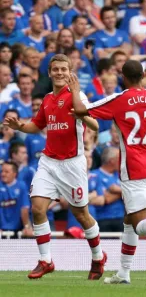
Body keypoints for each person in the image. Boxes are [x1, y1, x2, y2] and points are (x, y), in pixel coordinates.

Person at [71, 60, 146, 284]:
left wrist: (76, 91)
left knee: (139, 224)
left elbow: (80, 110)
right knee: (129, 220)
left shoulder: (120, 99)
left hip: (133, 167)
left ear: (122, 76)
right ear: (144, 75)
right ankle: (124, 273)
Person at [3, 54, 106, 281]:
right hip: (49, 162)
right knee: (38, 207)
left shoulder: (77, 95)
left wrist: (79, 107)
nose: (59, 73)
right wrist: (19, 126)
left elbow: (95, 124)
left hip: (72, 164)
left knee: (81, 214)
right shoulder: (48, 99)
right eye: (55, 69)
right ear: (49, 73)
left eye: (63, 69)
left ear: (70, 72)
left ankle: (98, 257)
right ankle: (46, 261)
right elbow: (37, 125)